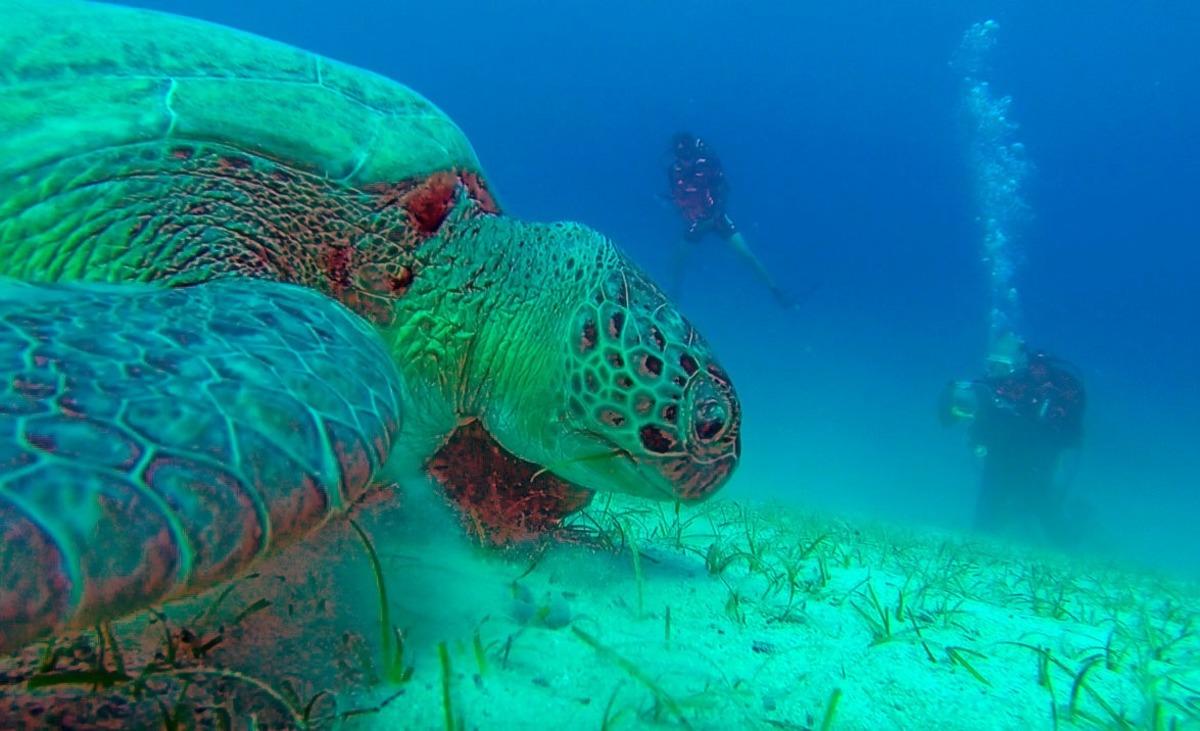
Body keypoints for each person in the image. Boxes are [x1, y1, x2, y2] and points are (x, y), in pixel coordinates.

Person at [939, 332, 1087, 544]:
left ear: (1019, 365)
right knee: (990, 501)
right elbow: (958, 415)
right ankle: (982, 543)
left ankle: (1069, 546)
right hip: (999, 452)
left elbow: (1058, 424)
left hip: (1037, 456)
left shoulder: (1045, 384)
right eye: (992, 365)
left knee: (1041, 501)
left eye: (1004, 367)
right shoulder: (992, 386)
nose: (997, 373)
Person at [665, 132, 801, 308]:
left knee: (747, 255)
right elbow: (677, 198)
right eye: (681, 156)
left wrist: (713, 217)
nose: (685, 161)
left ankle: (776, 291)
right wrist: (691, 219)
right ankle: (674, 295)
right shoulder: (673, 172)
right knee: (679, 258)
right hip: (696, 222)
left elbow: (722, 192)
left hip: (716, 218)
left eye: (688, 155)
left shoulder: (707, 165)